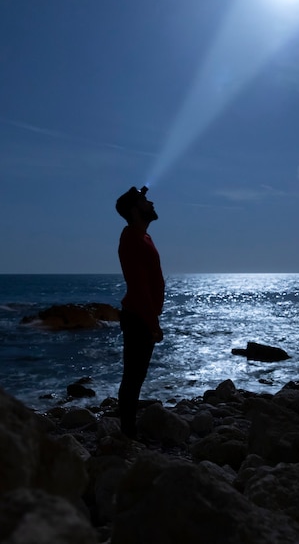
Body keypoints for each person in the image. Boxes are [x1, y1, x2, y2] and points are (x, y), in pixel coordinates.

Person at [115, 186, 165, 439]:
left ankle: (128, 430)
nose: (151, 202)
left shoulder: (143, 237)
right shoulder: (131, 238)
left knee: (137, 375)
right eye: (145, 201)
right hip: (137, 317)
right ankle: (127, 433)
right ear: (135, 210)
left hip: (141, 316)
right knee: (133, 376)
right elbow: (138, 286)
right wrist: (153, 323)